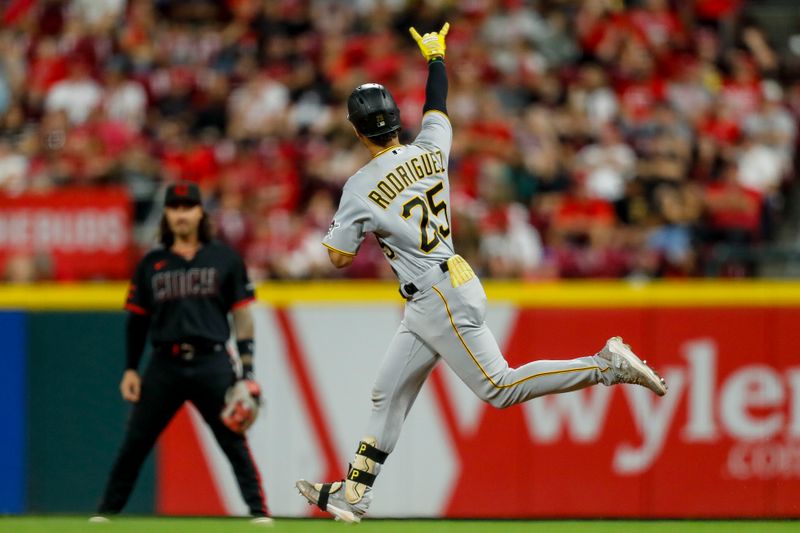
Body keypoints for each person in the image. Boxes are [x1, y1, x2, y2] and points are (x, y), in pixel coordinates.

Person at [295, 24, 668, 523]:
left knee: (500, 387)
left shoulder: (360, 186)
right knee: (389, 391)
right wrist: (436, 59)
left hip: (436, 293)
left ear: (357, 130)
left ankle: (605, 365)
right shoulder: (430, 149)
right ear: (395, 121)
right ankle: (354, 492)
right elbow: (438, 108)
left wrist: (347, 226)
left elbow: (338, 259)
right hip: (445, 284)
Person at [92, 182, 271, 524]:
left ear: (200, 212)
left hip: (212, 361)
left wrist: (247, 371)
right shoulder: (152, 263)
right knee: (135, 443)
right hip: (164, 364)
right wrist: (131, 368)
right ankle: (105, 515)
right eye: (175, 207)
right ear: (167, 214)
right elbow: (137, 320)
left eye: (188, 207)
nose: (181, 214)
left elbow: (243, 316)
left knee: (233, 441)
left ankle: (259, 513)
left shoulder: (225, 258)